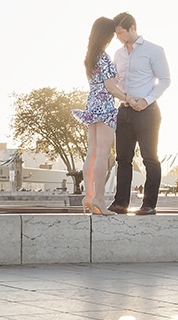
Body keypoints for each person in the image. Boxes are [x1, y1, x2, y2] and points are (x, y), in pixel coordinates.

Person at [108, 11, 171, 215]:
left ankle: (149, 204)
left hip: (147, 112)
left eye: (120, 32)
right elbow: (116, 81)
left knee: (149, 158)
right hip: (124, 111)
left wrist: (146, 100)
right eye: (116, 33)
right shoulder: (118, 54)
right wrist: (121, 96)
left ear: (132, 28)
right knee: (123, 159)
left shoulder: (153, 50)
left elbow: (165, 80)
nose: (118, 36)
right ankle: (120, 203)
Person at [71, 16, 129, 214]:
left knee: (92, 153)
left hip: (92, 103)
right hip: (105, 106)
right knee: (103, 154)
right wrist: (127, 98)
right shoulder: (103, 57)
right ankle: (100, 199)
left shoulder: (91, 55)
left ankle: (88, 197)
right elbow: (111, 87)